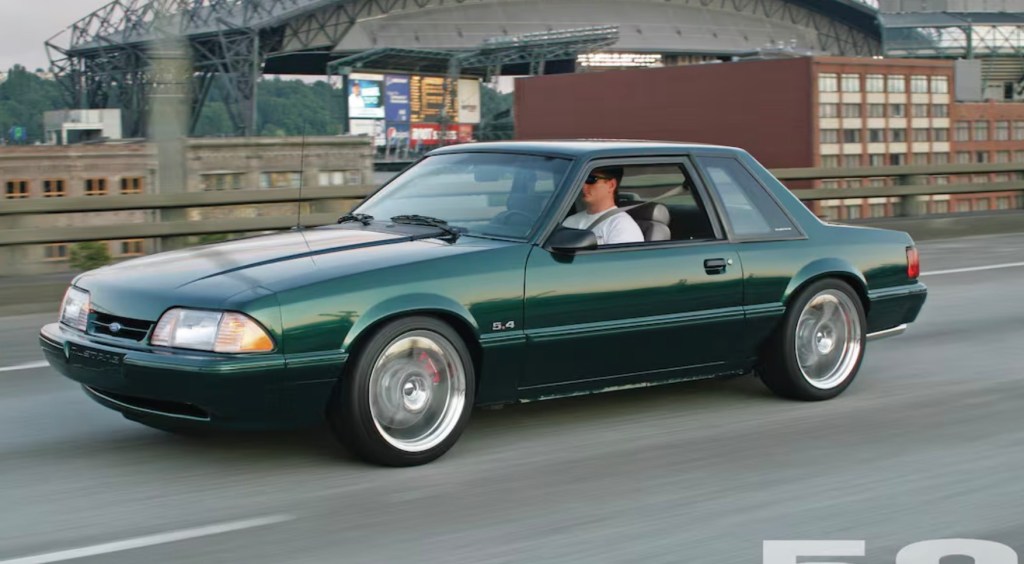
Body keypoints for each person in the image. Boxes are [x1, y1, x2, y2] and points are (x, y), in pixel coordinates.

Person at [562, 166, 644, 245]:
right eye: (581, 180)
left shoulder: (622, 226)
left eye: (591, 179)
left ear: (611, 185)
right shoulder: (569, 221)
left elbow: (621, 259)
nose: (583, 186)